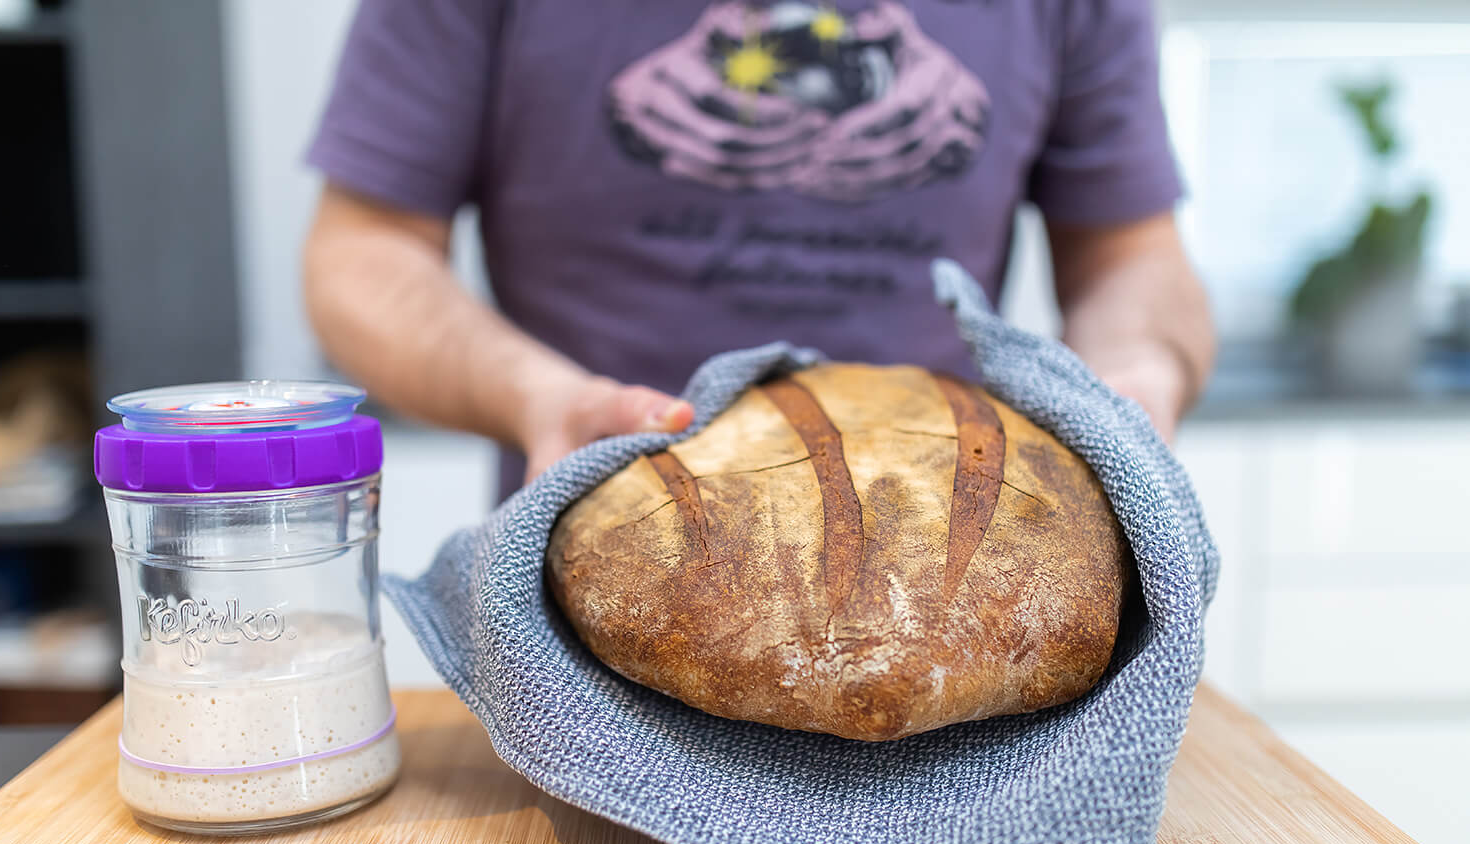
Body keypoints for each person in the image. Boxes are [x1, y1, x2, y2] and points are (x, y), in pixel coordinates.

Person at [304, 0, 1213, 499]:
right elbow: (364, 253)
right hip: (594, 537)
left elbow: (1128, 256)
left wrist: (1134, 378)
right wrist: (539, 398)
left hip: (940, 527)